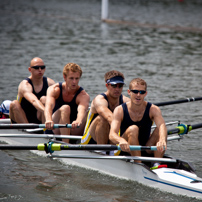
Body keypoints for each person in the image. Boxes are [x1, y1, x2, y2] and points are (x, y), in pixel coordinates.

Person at [109, 78, 167, 162]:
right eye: (135, 91)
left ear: (145, 94)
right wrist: (121, 140)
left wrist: (162, 140)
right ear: (129, 92)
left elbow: (162, 126)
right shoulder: (120, 110)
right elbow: (112, 135)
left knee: (161, 128)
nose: (138, 95)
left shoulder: (153, 109)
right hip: (126, 149)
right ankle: (138, 163)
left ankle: (157, 163)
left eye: (142, 92)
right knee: (133, 129)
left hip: (146, 148)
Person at [81, 70, 130, 145]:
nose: (117, 89)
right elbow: (109, 117)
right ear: (107, 86)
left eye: (120, 85)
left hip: (112, 136)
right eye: (114, 85)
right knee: (103, 118)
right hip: (90, 140)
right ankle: (102, 150)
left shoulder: (126, 101)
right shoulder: (99, 100)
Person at [44, 63, 90, 142]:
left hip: (73, 129)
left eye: (77, 78)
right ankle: (66, 145)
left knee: (90, 111)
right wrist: (48, 119)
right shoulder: (55, 89)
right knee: (65, 108)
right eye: (71, 78)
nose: (74, 82)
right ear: (64, 77)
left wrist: (78, 120)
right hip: (54, 128)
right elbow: (49, 106)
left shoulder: (83, 95)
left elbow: (82, 110)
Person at [9, 57, 55, 124]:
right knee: (14, 104)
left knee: (44, 99)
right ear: (30, 69)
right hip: (22, 118)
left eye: (42, 67)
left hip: (39, 117)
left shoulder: (50, 83)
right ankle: (28, 129)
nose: (40, 70)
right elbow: (34, 101)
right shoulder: (25, 85)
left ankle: (46, 129)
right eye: (36, 68)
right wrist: (47, 112)